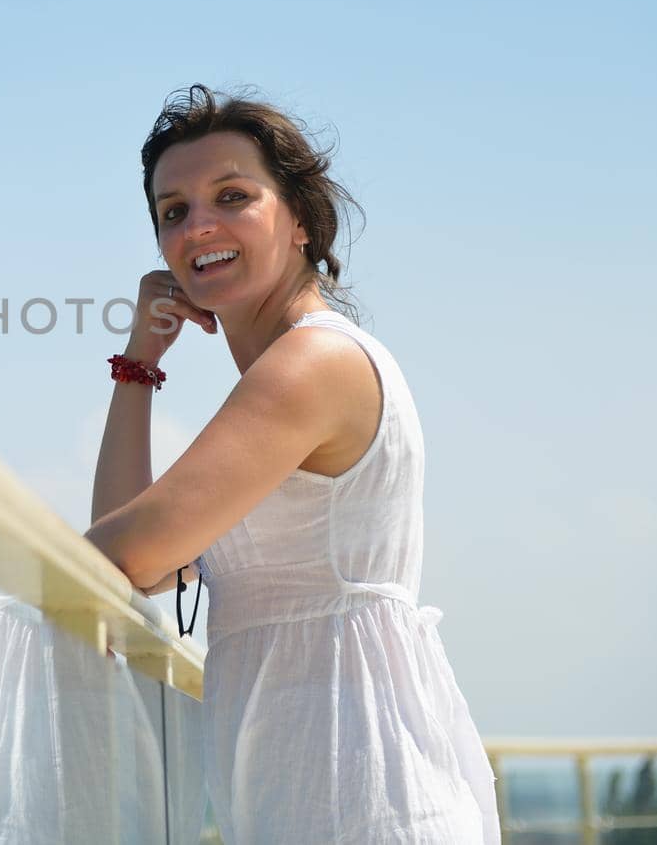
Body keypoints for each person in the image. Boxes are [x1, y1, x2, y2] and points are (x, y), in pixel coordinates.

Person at [84, 85, 501, 844]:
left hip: (356, 794)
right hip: (311, 785)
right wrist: (138, 364)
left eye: (232, 195)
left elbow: (133, 553)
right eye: (172, 211)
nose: (198, 223)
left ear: (302, 221)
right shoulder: (289, 370)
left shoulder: (310, 364)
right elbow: (138, 553)